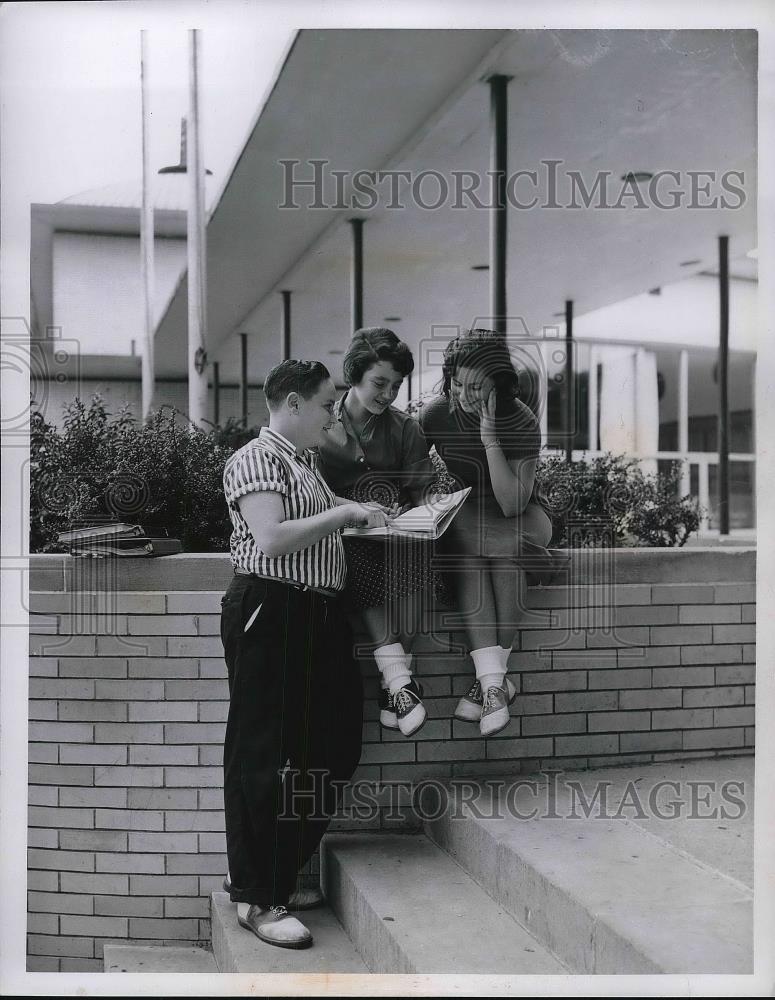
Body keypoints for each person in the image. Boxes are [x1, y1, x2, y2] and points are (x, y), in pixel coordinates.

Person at [220, 359, 388, 950]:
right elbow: (270, 538)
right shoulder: (256, 458)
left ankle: (278, 877)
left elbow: (308, 531)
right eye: (324, 404)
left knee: (337, 742)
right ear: (291, 404)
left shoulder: (304, 465)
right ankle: (256, 897)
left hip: (317, 614)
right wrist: (343, 513)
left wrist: (363, 522)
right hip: (271, 608)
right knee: (260, 753)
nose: (332, 414)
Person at [419, 329, 567, 737]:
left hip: (524, 514)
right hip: (472, 516)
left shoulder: (519, 418)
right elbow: (409, 468)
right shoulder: (434, 415)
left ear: (499, 383)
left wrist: (489, 438)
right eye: (458, 383)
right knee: (485, 557)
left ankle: (489, 680)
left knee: (491, 549)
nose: (465, 395)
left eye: (477, 387)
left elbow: (512, 503)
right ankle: (495, 685)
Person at [317, 328, 437, 737]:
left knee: (420, 565)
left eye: (396, 386)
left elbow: (423, 490)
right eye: (379, 383)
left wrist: (429, 506)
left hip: (396, 532)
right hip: (341, 535)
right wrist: (350, 512)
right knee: (357, 557)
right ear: (354, 375)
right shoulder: (320, 422)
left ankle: (395, 686)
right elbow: (307, 488)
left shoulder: (406, 429)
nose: (388, 394)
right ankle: (401, 683)